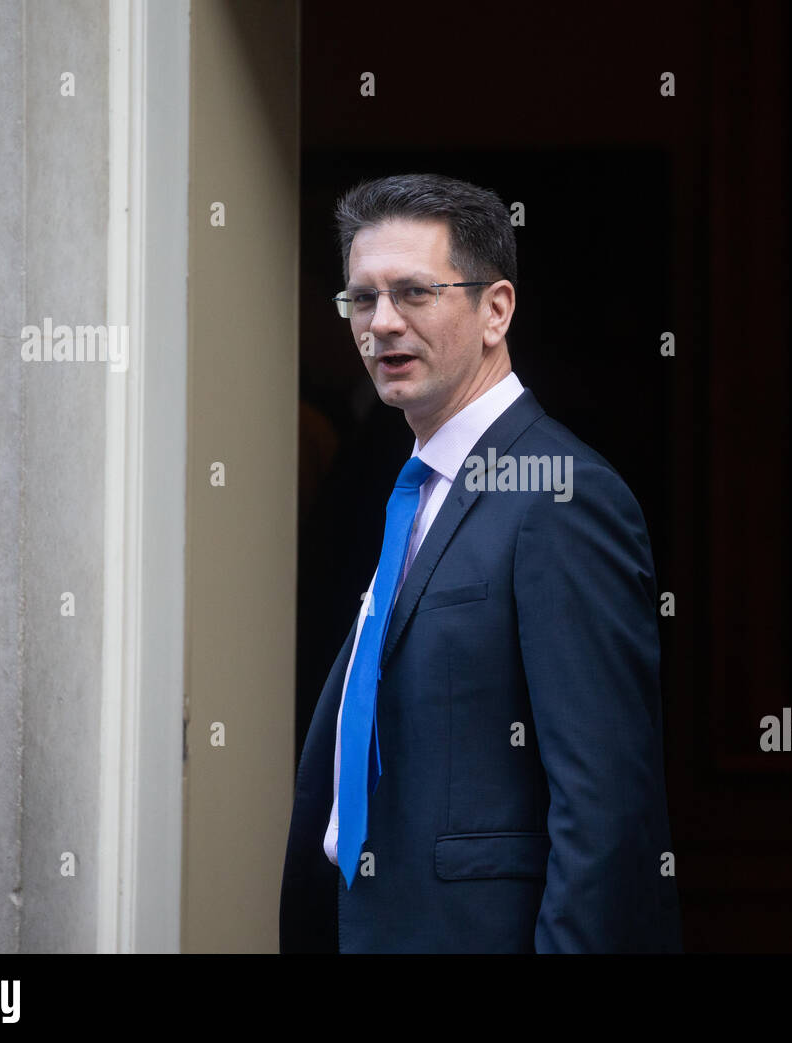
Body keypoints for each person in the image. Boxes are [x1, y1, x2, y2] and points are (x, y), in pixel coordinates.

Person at [279, 172, 682, 953]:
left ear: (496, 309)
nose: (381, 324)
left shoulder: (562, 495)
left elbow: (605, 813)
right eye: (361, 299)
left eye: (413, 293)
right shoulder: (415, 490)